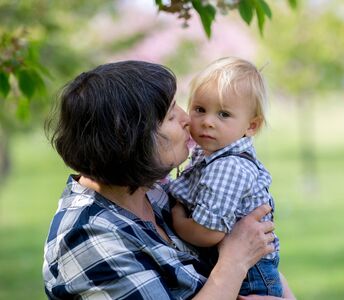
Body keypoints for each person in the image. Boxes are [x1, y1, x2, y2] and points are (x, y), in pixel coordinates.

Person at [43, 60, 295, 299]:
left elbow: (253, 247)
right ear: (130, 139)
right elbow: (240, 250)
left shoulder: (152, 193)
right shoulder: (92, 236)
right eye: (171, 116)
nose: (187, 119)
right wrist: (235, 261)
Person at [169, 57, 281, 297]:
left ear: (251, 126)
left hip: (250, 275)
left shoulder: (228, 166)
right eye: (200, 109)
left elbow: (209, 232)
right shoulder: (209, 154)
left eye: (224, 114)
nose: (208, 121)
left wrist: (177, 219)